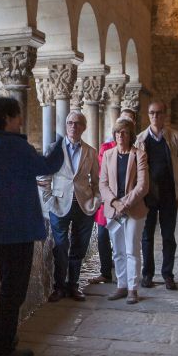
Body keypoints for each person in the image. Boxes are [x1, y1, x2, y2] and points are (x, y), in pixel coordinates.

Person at [0, 96, 65, 356]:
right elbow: (47, 166)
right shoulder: (13, 146)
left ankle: (7, 339)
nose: (21, 121)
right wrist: (59, 144)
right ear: (6, 118)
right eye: (17, 116)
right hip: (17, 229)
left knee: (8, 285)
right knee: (14, 290)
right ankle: (3, 348)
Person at [39, 111, 100, 302]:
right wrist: (49, 200)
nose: (74, 126)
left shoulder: (90, 152)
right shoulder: (53, 149)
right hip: (59, 204)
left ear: (84, 127)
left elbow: (97, 181)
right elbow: (44, 176)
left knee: (79, 247)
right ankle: (59, 287)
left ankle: (73, 285)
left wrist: (96, 201)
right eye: (70, 123)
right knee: (60, 246)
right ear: (66, 126)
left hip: (84, 205)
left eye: (78, 123)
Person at [101, 118, 149, 303]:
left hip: (133, 209)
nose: (120, 136)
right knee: (118, 251)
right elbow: (103, 184)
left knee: (132, 250)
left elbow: (143, 186)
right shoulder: (108, 155)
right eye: (118, 132)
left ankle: (132, 289)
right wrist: (115, 202)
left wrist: (124, 204)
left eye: (125, 132)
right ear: (114, 135)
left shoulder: (139, 155)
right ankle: (121, 286)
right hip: (114, 210)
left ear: (131, 136)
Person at [138, 100, 178, 289]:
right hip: (148, 194)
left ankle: (168, 274)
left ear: (165, 115)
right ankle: (147, 274)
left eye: (158, 113)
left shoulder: (175, 138)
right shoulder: (141, 139)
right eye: (152, 113)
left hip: (168, 193)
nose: (155, 116)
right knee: (147, 236)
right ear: (148, 115)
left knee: (168, 236)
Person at [88, 109, 136, 285]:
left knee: (127, 241)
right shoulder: (106, 148)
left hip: (129, 202)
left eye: (128, 123)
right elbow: (102, 173)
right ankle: (106, 272)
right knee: (103, 235)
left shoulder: (137, 150)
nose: (121, 132)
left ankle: (128, 277)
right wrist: (112, 199)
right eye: (121, 123)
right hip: (108, 200)